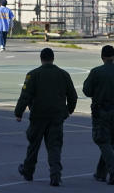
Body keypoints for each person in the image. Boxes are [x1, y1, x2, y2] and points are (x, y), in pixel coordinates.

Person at [14, 47, 78, 187]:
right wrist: (68, 111)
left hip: (38, 116)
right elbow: (73, 96)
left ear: (41, 59)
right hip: (56, 116)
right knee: (54, 146)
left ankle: (28, 171)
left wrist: (18, 113)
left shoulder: (33, 75)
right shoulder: (63, 74)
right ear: (53, 59)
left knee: (34, 145)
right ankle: (55, 174)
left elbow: (25, 96)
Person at [82, 44, 114, 185]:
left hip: (101, 111)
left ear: (102, 57)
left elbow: (86, 91)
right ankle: (100, 173)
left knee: (102, 140)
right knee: (109, 141)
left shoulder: (96, 72)